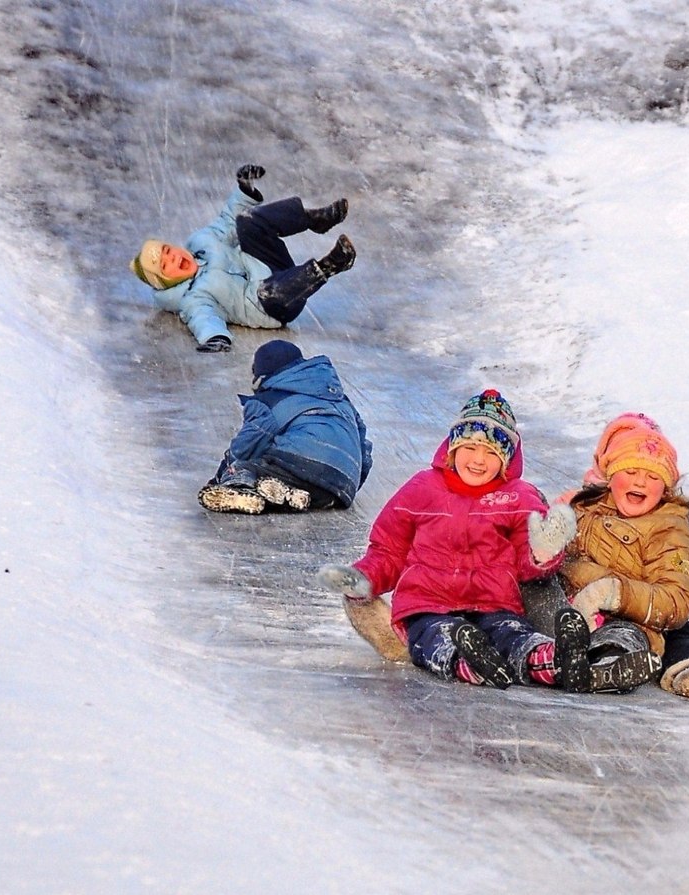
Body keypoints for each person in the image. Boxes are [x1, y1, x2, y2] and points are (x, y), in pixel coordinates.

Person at [315, 390, 592, 691]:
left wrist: (542, 551)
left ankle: (551, 660)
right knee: (438, 636)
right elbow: (390, 550)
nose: (478, 460)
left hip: (493, 604)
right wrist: (364, 577)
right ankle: (466, 661)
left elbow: (527, 568)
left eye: (491, 453)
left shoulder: (519, 497)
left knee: (513, 634)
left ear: (506, 461)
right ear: (452, 447)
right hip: (429, 605)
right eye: (470, 447)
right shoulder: (421, 489)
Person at [552, 412, 689, 699]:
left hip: (631, 619)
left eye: (652, 475)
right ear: (610, 472)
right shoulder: (582, 507)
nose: (641, 482)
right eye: (631, 471)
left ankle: (681, 667)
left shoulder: (668, 526)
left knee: (661, 631)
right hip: (568, 614)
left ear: (667, 485)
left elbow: (676, 598)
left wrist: (615, 594)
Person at [129, 164, 355, 352]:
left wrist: (244, 189)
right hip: (271, 305)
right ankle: (332, 264)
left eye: (169, 252)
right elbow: (204, 319)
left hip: (268, 265)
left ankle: (315, 219)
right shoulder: (193, 297)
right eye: (166, 266)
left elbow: (228, 220)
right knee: (269, 291)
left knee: (246, 222)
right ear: (166, 281)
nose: (174, 259)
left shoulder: (202, 243)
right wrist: (214, 338)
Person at [197, 339, 373, 515]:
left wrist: (221, 475)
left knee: (244, 467)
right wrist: (349, 483)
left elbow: (246, 446)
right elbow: (364, 450)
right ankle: (291, 496)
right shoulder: (341, 400)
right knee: (281, 481)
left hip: (300, 461)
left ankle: (238, 486)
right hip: (342, 484)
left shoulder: (269, 400)